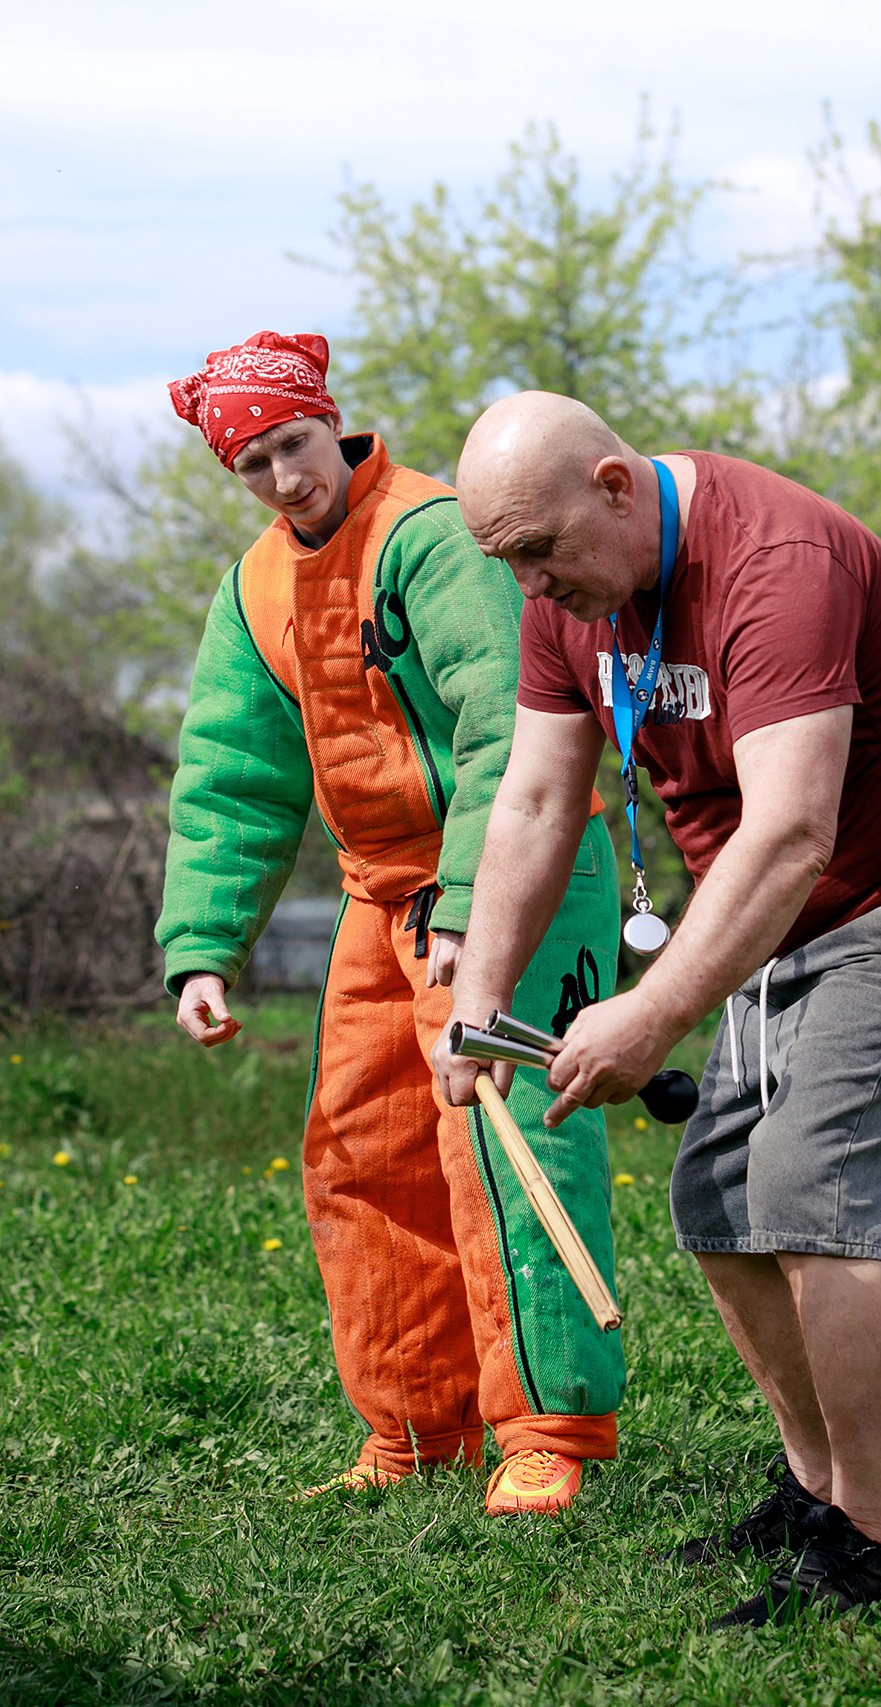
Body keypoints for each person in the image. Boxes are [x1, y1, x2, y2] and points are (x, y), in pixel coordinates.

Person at [430, 391, 881, 1622]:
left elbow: (793, 831)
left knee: (810, 1207)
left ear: (612, 483)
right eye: (509, 565)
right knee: (717, 1204)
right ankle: (820, 1496)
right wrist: (481, 997)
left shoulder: (777, 562)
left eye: (540, 553)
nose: (533, 589)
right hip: (785, 922)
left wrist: (648, 1016)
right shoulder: (576, 601)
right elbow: (541, 803)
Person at [153, 337, 623, 1516]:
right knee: (361, 1151)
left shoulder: (431, 532)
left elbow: (506, 733)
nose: (283, 480)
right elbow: (230, 776)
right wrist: (202, 947)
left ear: (332, 423)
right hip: (380, 894)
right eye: (252, 464)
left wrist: (476, 908)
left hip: (520, 865)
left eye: (294, 445)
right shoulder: (254, 587)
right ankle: (415, 1430)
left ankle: (549, 1431)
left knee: (507, 1141)